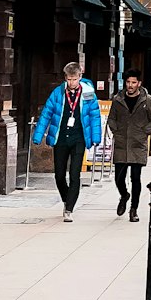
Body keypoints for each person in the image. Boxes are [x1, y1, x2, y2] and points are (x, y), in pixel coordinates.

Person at [33, 62, 102, 221]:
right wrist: (38, 135)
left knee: (75, 174)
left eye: (74, 79)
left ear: (80, 77)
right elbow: (46, 114)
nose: (71, 82)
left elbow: (94, 115)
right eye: (69, 79)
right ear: (65, 78)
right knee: (58, 175)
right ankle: (66, 199)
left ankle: (69, 208)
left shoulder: (88, 92)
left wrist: (96, 136)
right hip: (61, 137)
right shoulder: (58, 93)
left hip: (79, 138)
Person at [107, 69, 151, 221]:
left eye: (133, 82)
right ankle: (124, 195)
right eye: (128, 82)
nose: (130, 85)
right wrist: (116, 131)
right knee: (119, 178)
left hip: (138, 144)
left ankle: (134, 209)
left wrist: (144, 132)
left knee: (136, 177)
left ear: (139, 83)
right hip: (122, 143)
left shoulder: (147, 100)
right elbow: (112, 118)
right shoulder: (118, 99)